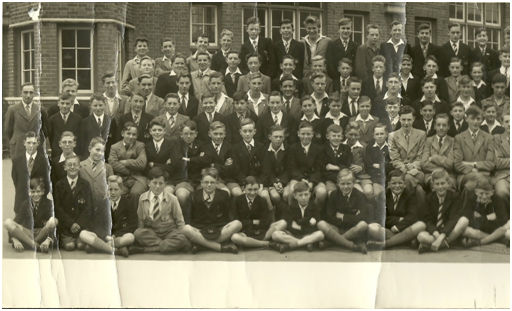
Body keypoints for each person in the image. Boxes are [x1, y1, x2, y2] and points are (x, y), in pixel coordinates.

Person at [130, 167, 191, 254]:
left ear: (165, 184)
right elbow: (140, 220)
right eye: (154, 183)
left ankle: (147, 249)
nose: (157, 186)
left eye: (161, 183)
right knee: (138, 233)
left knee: (181, 238)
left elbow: (180, 221)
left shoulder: (172, 199)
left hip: (169, 232)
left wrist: (181, 235)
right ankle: (166, 246)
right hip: (152, 232)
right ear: (148, 183)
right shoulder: (142, 198)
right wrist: (141, 235)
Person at [183, 168, 242, 254]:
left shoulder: (224, 194)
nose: (209, 185)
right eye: (206, 182)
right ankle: (220, 247)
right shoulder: (193, 195)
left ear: (216, 183)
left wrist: (225, 227)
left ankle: (201, 244)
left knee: (237, 224)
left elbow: (230, 215)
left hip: (219, 229)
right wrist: (194, 229)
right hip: (200, 229)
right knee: (186, 229)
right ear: (201, 183)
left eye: (212, 182)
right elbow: (187, 217)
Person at [366, 170, 426, 249]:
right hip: (389, 230)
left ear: (404, 184)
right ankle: (404, 240)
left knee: (421, 225)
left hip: (405, 228)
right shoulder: (383, 195)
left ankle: (385, 244)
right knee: (371, 227)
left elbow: (412, 216)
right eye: (394, 183)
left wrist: (398, 227)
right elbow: (380, 217)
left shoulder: (410, 195)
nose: (397, 186)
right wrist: (398, 220)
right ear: (389, 184)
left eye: (400, 183)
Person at [79, 175, 137, 257]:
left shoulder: (128, 203)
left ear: (121, 190)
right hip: (104, 236)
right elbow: (97, 224)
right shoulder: (102, 203)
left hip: (118, 237)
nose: (113, 192)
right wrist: (106, 236)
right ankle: (114, 250)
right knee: (83, 234)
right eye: (110, 189)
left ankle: (98, 247)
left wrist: (115, 235)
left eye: (116, 190)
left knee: (130, 237)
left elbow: (132, 225)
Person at [317, 169, 370, 253]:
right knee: (321, 224)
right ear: (338, 184)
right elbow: (329, 216)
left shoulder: (360, 195)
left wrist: (343, 217)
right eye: (342, 184)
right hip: (337, 228)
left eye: (348, 183)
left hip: (353, 229)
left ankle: (332, 242)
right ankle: (350, 244)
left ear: (354, 183)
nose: (345, 187)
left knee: (363, 225)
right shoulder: (333, 194)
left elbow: (363, 217)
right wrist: (353, 217)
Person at [417, 168, 469, 253]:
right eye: (437, 184)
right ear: (433, 185)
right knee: (421, 236)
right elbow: (428, 220)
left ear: (448, 184)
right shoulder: (429, 198)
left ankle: (435, 244)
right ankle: (444, 244)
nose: (440, 186)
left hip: (449, 231)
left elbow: (453, 219)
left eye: (443, 183)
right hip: (435, 231)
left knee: (464, 221)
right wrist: (436, 235)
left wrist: (441, 236)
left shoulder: (455, 197)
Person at [4, 178, 57, 253]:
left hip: (42, 233)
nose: (35, 194)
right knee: (7, 222)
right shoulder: (26, 204)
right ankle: (33, 244)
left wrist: (48, 240)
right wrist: (15, 240)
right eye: (33, 192)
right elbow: (16, 222)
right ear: (29, 192)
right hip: (28, 233)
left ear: (43, 192)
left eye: (38, 191)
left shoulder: (49, 204)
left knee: (53, 220)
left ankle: (31, 243)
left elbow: (53, 227)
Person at [270, 181, 324, 253]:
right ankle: (304, 243)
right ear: (295, 196)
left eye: (306, 194)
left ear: (310, 195)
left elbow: (316, 222)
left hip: (309, 234)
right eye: (300, 195)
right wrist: (307, 221)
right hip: (293, 235)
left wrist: (299, 224)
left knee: (320, 234)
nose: (304, 197)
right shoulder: (291, 207)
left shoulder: (314, 207)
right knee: (275, 234)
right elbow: (289, 224)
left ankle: (291, 245)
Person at [54, 156, 93, 251]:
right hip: (66, 226)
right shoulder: (59, 185)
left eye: (75, 165)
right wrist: (70, 223)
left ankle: (81, 238)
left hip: (81, 225)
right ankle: (67, 238)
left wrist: (79, 223)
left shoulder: (85, 184)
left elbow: (89, 207)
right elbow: (58, 208)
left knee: (80, 246)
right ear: (65, 167)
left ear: (79, 167)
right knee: (69, 246)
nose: (72, 167)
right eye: (69, 165)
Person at [388, 106, 426, 202]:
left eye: (409, 120)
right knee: (419, 190)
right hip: (400, 171)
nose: (406, 123)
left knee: (408, 180)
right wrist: (407, 170)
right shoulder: (392, 136)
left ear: (413, 119)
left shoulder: (421, 134)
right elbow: (395, 159)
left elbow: (421, 156)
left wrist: (413, 167)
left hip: (417, 172)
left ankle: (402, 206)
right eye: (403, 119)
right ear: (399, 119)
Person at [79, 137, 113, 244]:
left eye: (102, 151)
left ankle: (100, 241)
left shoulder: (107, 167)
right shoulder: (80, 165)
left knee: (102, 230)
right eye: (97, 150)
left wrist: (108, 194)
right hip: (85, 206)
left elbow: (112, 185)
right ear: (90, 149)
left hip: (101, 205)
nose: (99, 153)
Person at [168, 120, 203, 223]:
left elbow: (204, 161)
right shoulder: (176, 144)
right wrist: (195, 159)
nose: (188, 136)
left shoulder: (200, 145)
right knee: (177, 194)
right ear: (181, 134)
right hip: (178, 178)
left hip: (194, 179)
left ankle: (190, 222)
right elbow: (176, 162)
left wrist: (186, 159)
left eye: (191, 134)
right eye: (185, 134)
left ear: (196, 134)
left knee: (185, 195)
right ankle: (178, 222)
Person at [453, 106, 495, 191]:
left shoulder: (489, 138)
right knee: (478, 182)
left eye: (478, 119)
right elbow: (457, 164)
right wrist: (473, 170)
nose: (475, 122)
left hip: (484, 175)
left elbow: (491, 164)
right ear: (466, 119)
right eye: (472, 119)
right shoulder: (459, 138)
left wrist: (473, 164)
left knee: (470, 187)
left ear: (482, 120)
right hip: (465, 176)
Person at [230, 176, 279, 248]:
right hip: (244, 232)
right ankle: (265, 244)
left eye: (255, 189)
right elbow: (235, 220)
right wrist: (253, 222)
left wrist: (247, 222)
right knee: (235, 237)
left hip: (260, 231)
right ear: (243, 188)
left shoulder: (262, 200)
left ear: (259, 189)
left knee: (280, 224)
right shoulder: (237, 200)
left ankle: (252, 243)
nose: (252, 193)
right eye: (249, 189)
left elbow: (265, 221)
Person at [284, 121, 325, 207]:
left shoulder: (319, 149)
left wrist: (311, 182)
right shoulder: (292, 148)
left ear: (312, 134)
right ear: (298, 134)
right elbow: (292, 168)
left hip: (314, 180)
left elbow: (319, 169)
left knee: (322, 192)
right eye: (303, 134)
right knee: (292, 191)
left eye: (308, 134)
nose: (305, 136)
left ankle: (313, 213)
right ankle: (293, 215)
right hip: (298, 178)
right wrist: (302, 180)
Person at [461, 178, 509, 247]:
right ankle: (497, 239)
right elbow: (467, 218)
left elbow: (503, 221)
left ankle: (481, 241)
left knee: (504, 229)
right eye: (481, 193)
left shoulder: (497, 199)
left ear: (492, 192)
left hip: (494, 229)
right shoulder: (471, 198)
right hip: (481, 230)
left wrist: (480, 219)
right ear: (476, 192)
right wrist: (487, 217)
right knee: (466, 230)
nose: (484, 196)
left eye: (487, 193)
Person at [11, 132, 51, 215]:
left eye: (34, 143)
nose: (31, 146)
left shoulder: (44, 161)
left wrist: (38, 197)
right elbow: (15, 179)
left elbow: (46, 183)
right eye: (29, 143)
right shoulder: (17, 160)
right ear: (24, 143)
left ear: (38, 144)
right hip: (21, 202)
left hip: (38, 202)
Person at [4, 82, 45, 158]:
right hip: (17, 148)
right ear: (21, 94)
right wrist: (14, 142)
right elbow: (8, 130)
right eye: (25, 92)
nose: (28, 95)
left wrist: (38, 142)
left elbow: (45, 130)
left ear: (34, 94)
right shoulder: (12, 109)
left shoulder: (39, 109)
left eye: (31, 93)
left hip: (35, 148)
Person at [109, 122, 148, 196]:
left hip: (137, 178)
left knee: (135, 193)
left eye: (134, 135)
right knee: (117, 193)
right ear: (122, 133)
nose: (131, 137)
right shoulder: (114, 147)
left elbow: (142, 163)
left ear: (137, 136)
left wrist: (126, 162)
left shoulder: (140, 146)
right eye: (128, 133)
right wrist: (130, 171)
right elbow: (113, 163)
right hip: (120, 178)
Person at [261, 125, 290, 217]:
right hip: (270, 181)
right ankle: (275, 217)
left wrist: (281, 182)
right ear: (270, 137)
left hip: (285, 181)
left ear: (284, 137)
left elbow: (289, 169)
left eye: (280, 137)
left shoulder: (288, 149)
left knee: (286, 195)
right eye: (275, 137)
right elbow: (266, 171)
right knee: (275, 196)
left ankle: (287, 217)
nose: (278, 139)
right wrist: (275, 183)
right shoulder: (264, 150)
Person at [421, 113, 456, 188]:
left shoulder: (453, 141)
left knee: (448, 185)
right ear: (434, 126)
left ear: (448, 127)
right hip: (431, 174)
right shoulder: (428, 140)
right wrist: (441, 167)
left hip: (448, 175)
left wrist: (434, 157)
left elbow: (450, 164)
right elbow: (424, 164)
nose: (441, 128)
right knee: (435, 184)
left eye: (444, 125)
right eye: (438, 125)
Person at [46, 93, 81, 159]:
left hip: (72, 152)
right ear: (58, 104)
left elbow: (79, 137)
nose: (64, 106)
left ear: (71, 104)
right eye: (62, 103)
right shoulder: (52, 119)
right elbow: (51, 137)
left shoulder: (77, 119)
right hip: (57, 153)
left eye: (67, 104)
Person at [79, 94, 112, 158]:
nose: (98, 108)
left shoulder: (110, 120)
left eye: (100, 105)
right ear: (91, 106)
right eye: (95, 105)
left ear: (105, 105)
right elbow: (82, 142)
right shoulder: (85, 122)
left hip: (106, 156)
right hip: (89, 156)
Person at [492, 114, 510, 200]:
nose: (510, 124)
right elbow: (497, 162)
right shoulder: (496, 139)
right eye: (507, 122)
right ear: (502, 124)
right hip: (503, 176)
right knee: (501, 192)